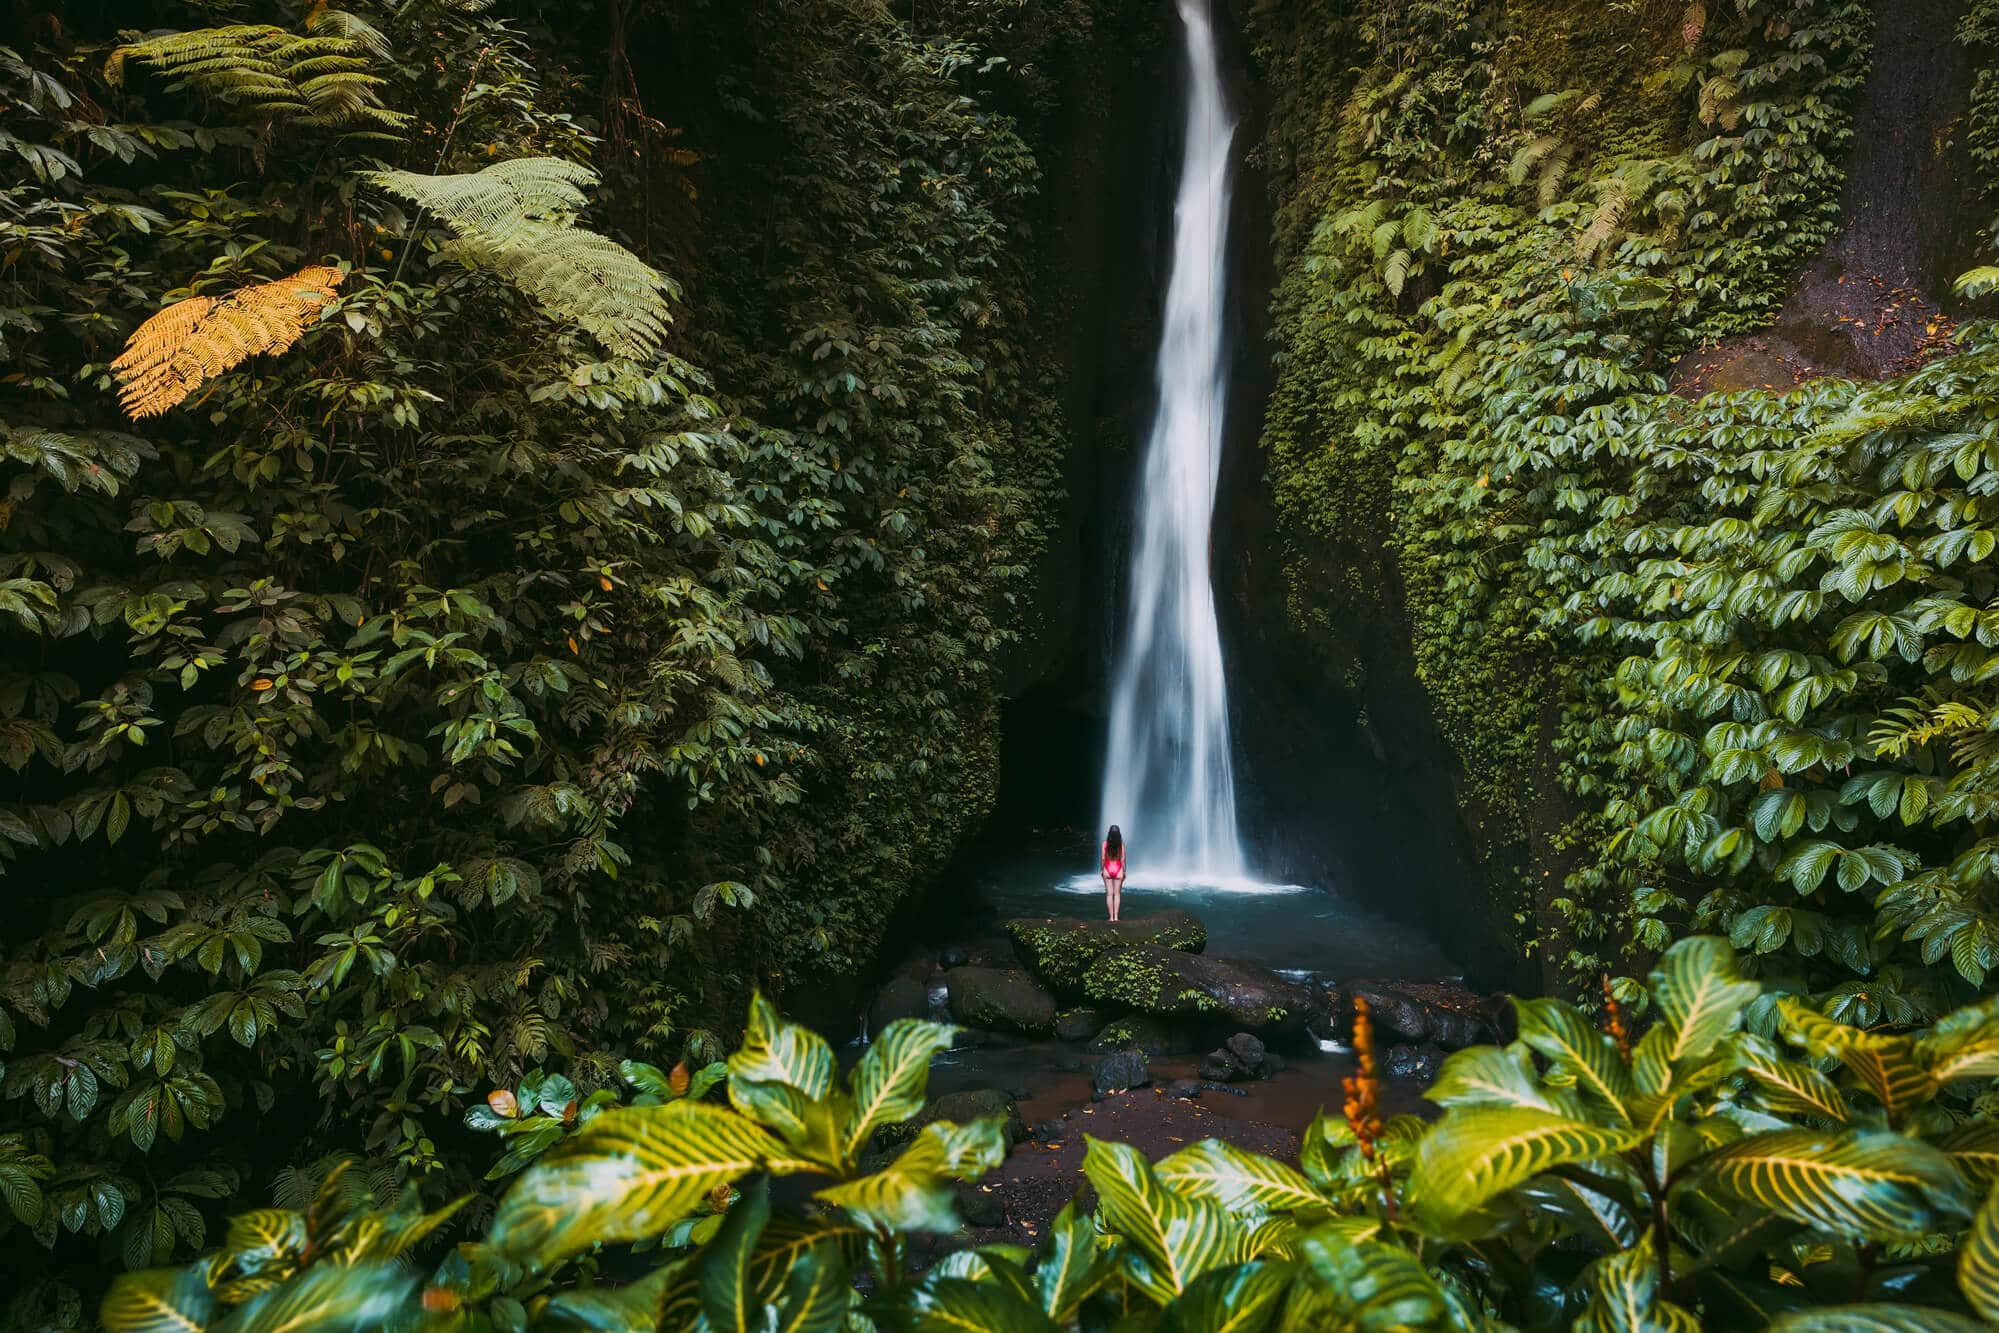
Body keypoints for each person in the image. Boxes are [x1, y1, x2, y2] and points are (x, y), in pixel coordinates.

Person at [1100, 824, 1126, 922]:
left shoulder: (1104, 844)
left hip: (1107, 868)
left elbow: (1103, 858)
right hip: (1118, 869)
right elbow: (1122, 859)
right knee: (1117, 894)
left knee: (1109, 894)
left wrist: (1102, 870)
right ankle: (1116, 917)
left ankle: (1111, 918)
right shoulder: (1121, 844)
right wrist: (1124, 871)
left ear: (1109, 834)